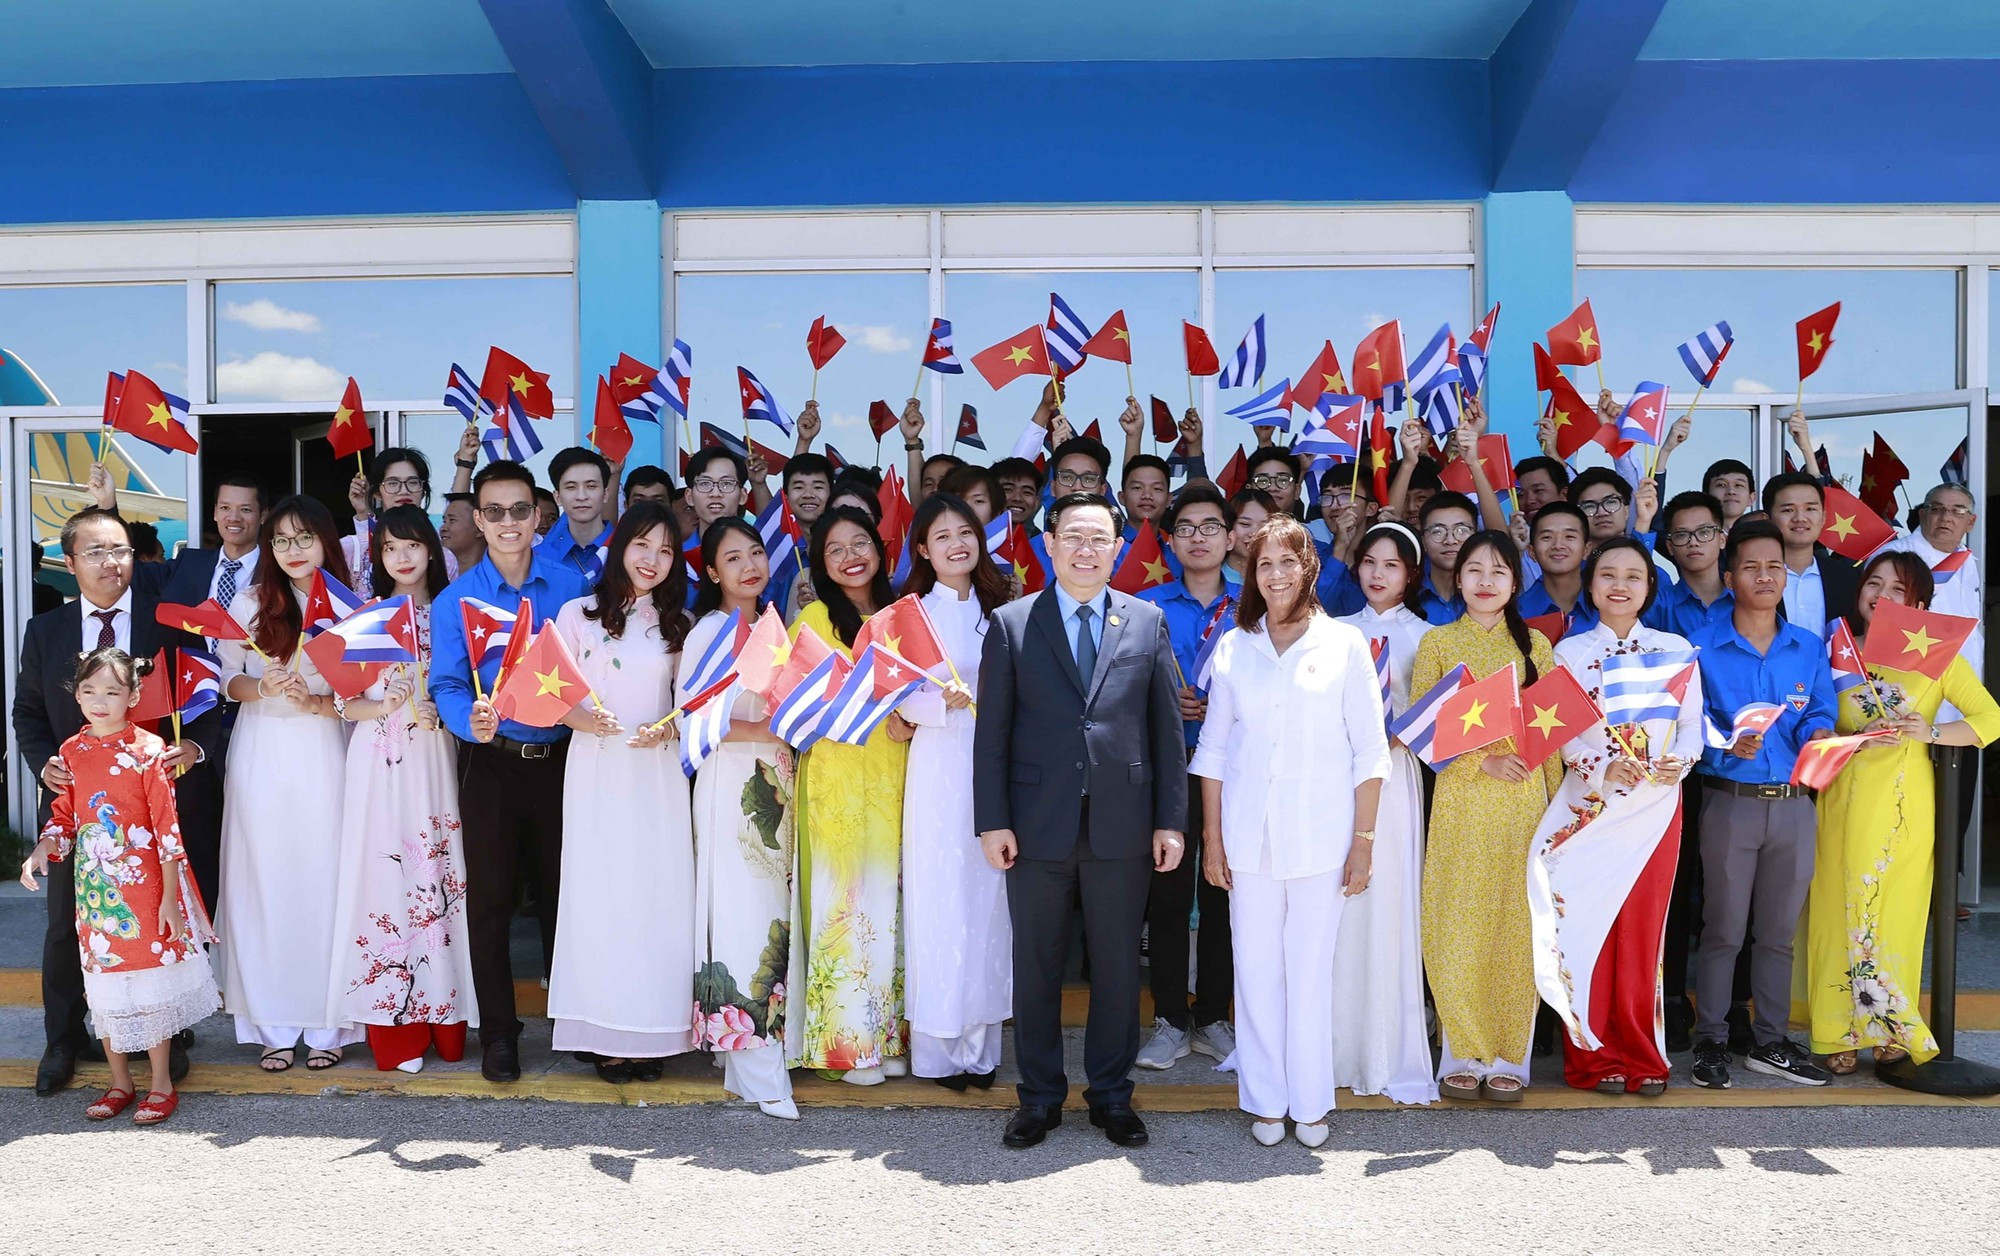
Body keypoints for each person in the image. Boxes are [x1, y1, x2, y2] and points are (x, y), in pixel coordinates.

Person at [974, 493, 1186, 1151]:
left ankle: (1111, 1096)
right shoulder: (1011, 624)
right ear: (1050, 543)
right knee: (1036, 967)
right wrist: (992, 820)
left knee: (1119, 968)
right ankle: (1038, 1099)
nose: (1086, 549)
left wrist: (1170, 822)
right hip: (1035, 825)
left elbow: (1166, 728)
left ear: (1119, 547)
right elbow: (993, 736)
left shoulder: (1146, 620)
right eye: (1073, 536)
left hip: (1123, 823)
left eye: (1099, 538)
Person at [1194, 515, 1387, 1146]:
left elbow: (1370, 754)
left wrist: (1363, 844)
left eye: (1288, 562)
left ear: (1310, 567)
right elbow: (1214, 752)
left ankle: (1309, 1101)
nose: (1275, 575)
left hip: (1322, 841)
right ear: (1251, 572)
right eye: (1263, 564)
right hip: (1247, 842)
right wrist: (1213, 841)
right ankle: (1265, 1099)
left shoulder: (1344, 645)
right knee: (1255, 973)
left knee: (1308, 972)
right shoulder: (1233, 646)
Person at [13, 508, 216, 1096]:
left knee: (157, 925)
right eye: (97, 552)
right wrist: (45, 764)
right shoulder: (46, 630)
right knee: (66, 929)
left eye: (122, 550)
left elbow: (206, 700)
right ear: (70, 562)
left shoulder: (167, 622)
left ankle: (167, 1037)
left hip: (153, 811)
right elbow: (28, 714)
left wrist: (196, 748)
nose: (112, 562)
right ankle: (63, 1040)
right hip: (82, 809)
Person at [430, 460, 593, 1083]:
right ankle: (500, 1033)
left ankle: (577, 1023)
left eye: (519, 510)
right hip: (491, 765)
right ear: (478, 518)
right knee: (493, 903)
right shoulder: (455, 600)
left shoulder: (572, 589)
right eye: (493, 512)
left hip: (561, 762)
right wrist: (466, 717)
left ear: (537, 514)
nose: (507, 523)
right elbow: (445, 681)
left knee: (564, 898)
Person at [1805, 551, 1999, 1073]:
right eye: (1875, 583)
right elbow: (1814, 719)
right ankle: (1835, 1031)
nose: (1882, 595)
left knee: (1897, 913)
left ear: (1917, 603)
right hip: (1842, 798)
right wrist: (1836, 737)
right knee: (1835, 909)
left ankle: (1892, 1024)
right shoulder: (1834, 652)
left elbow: (1990, 718)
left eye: (1898, 589)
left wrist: (1932, 731)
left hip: (1904, 806)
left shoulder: (1936, 657)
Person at [1527, 537, 1701, 1096]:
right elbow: (1562, 734)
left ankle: (1643, 1056)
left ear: (1650, 586)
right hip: (1591, 806)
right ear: (1590, 584)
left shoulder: (1676, 649)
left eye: (1633, 574)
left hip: (1654, 808)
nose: (1620, 584)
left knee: (1643, 935)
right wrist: (1602, 768)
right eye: (1607, 574)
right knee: (1587, 927)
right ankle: (1593, 1058)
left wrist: (1683, 760)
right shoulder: (1568, 653)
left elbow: (1694, 725)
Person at [18, 648, 219, 1126]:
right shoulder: (71, 751)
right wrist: (43, 847)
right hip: (95, 891)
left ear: (133, 695)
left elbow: (168, 832)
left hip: (146, 887)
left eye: (111, 691)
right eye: (89, 691)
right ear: (77, 695)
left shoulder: (148, 751)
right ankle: (119, 1083)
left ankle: (161, 1084)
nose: (99, 701)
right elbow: (65, 818)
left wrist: (170, 899)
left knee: (148, 988)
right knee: (104, 987)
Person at [546, 501, 696, 1083]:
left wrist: (673, 724)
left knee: (655, 897)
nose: (653, 559)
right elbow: (548, 696)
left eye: (665, 549)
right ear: (619, 547)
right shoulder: (576, 615)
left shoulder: (679, 622)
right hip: (597, 769)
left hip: (656, 775)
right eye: (642, 545)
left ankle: (653, 1033)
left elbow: (693, 701)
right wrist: (586, 722)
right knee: (601, 897)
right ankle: (603, 1033)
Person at [1687, 520, 1837, 1089]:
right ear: (1729, 577)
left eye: (1774, 566)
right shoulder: (1705, 648)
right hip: (1731, 803)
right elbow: (1688, 725)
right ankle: (1712, 1042)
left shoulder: (1808, 646)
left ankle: (1770, 1041)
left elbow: (1821, 707)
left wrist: (1818, 732)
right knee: (1723, 928)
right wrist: (1725, 743)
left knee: (1777, 933)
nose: (1765, 576)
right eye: (1751, 566)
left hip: (1796, 806)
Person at [214, 495, 361, 1070]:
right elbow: (228, 681)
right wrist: (264, 687)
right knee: (264, 881)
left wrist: (320, 697)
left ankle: (329, 1024)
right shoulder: (250, 603)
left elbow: (363, 694)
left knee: (325, 879)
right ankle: (271, 1023)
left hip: (327, 752)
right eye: (280, 540)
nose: (292, 550)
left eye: (304, 538)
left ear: (327, 541)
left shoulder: (351, 608)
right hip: (261, 754)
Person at [327, 506, 475, 1074]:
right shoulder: (366, 618)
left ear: (432, 551)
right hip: (381, 761)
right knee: (386, 879)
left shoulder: (454, 611)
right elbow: (344, 702)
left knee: (438, 874)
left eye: (413, 545)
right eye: (390, 548)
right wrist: (380, 704)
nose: (403, 557)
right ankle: (397, 1026)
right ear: (379, 557)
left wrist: (450, 705)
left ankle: (446, 1017)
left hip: (436, 758)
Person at [1413, 530, 1560, 1101]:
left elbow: (1550, 737)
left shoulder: (1535, 648)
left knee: (1514, 928)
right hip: (1461, 802)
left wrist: (1556, 817)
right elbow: (1424, 732)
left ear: (1515, 583)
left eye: (1499, 572)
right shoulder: (1437, 643)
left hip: (1523, 806)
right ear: (1457, 577)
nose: (1485, 581)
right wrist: (1482, 763)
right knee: (1455, 923)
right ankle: (1462, 1051)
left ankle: (1509, 1058)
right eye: (1474, 570)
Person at [889, 494, 1010, 1090]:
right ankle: (937, 1052)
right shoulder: (909, 614)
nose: (957, 544)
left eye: (966, 532)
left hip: (993, 765)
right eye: (942, 536)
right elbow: (891, 693)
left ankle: (982, 1049)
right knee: (938, 900)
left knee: (988, 902)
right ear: (922, 550)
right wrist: (939, 702)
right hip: (937, 765)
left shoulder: (1002, 611)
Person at [787, 508, 909, 1084]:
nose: (850, 556)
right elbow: (789, 705)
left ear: (881, 550)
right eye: (835, 549)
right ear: (821, 563)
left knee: (893, 910)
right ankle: (847, 1045)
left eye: (860, 542)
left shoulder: (905, 614)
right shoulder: (812, 617)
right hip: (836, 777)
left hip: (897, 774)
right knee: (847, 907)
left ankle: (889, 1036)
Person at [683, 517, 799, 1120]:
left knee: (771, 913)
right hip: (734, 785)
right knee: (745, 914)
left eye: (756, 552)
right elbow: (695, 718)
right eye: (733, 558)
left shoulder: (774, 626)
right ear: (711, 572)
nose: (750, 565)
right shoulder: (710, 632)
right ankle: (761, 1071)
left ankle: (742, 1061)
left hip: (776, 781)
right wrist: (786, 722)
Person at [1332, 523, 1438, 1105]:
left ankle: (1381, 1045)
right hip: (1334, 781)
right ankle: (1329, 1041)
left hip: (1394, 784)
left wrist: (1406, 737)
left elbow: (1439, 725)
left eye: (1392, 565)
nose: (1377, 573)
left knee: (1387, 900)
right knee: (1336, 905)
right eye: (1369, 562)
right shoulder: (1332, 632)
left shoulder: (1429, 637)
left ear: (1411, 573)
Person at [1135, 485, 1238, 1071]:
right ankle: (1170, 1018)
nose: (1199, 537)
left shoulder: (1256, 605)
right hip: (1167, 769)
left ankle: (1215, 1017)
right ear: (1169, 541)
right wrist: (1163, 702)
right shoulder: (1143, 607)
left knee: (1225, 891)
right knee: (1168, 895)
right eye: (1187, 528)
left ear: (1231, 537)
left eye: (1211, 526)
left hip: (1234, 772)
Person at [1646, 490, 1734, 1049]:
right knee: (1676, 890)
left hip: (1735, 769)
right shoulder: (1659, 609)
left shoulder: (1749, 598)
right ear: (1669, 547)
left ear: (1723, 536)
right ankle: (1673, 998)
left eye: (1704, 532)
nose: (1693, 544)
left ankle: (1731, 1009)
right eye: (1680, 536)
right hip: (1669, 769)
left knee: (1725, 893)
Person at [344, 441, 474, 586]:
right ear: (377, 493)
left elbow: (457, 509)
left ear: (423, 490)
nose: (404, 490)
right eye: (393, 483)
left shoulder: (442, 549)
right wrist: (363, 513)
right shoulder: (352, 548)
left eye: (412, 482)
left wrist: (465, 463)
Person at [1762, 470, 1859, 639]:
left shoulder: (1849, 578)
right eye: (1788, 510)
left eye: (1810, 509)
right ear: (1767, 519)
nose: (1800, 518)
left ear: (1823, 518)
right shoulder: (1754, 578)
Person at [540, 447, 616, 580]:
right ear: (557, 497)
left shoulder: (627, 550)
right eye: (571, 487)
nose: (581, 496)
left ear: (605, 494)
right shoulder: (540, 557)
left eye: (591, 486)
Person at [1518, 502, 1596, 633]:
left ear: (1586, 549)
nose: (1558, 545)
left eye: (1569, 537)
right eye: (1547, 537)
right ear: (1532, 552)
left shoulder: (1608, 604)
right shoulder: (1518, 613)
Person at [1413, 491, 1477, 625]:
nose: (1450, 540)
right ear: (1423, 541)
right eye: (1438, 531)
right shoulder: (1407, 596)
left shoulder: (1490, 596)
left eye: (1461, 531)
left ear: (1476, 536)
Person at [1223, 488, 1275, 588]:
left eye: (1265, 525)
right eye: (1245, 524)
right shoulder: (1212, 576)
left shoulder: (1281, 579)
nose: (1254, 533)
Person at [1245, 446, 1305, 520]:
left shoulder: (1309, 531)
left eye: (1282, 481)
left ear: (1297, 491)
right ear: (1249, 490)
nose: (1272, 488)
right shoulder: (1234, 531)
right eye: (1263, 481)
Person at [438, 491, 486, 574]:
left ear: (479, 527)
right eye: (444, 521)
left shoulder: (499, 578)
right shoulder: (438, 579)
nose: (443, 528)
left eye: (452, 520)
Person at [1703, 459, 1757, 529]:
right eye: (1722, 485)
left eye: (1738, 485)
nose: (1731, 491)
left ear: (1751, 498)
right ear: (1706, 496)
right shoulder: (1694, 534)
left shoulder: (1762, 536)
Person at [994, 457, 1045, 531]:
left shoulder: (1044, 541)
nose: (1017, 498)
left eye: (1027, 492)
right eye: (1008, 490)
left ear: (1036, 502)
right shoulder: (974, 537)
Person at [1514, 456, 1570, 521]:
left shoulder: (1582, 528)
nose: (1529, 501)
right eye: (1521, 494)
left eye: (1538, 490)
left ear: (1563, 494)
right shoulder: (1510, 530)